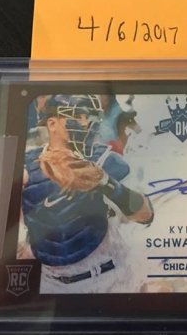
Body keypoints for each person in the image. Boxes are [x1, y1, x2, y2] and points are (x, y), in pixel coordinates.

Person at [22, 94, 153, 290]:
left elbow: (145, 215)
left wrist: (106, 183)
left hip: (109, 275)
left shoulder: (108, 160)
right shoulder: (27, 165)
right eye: (78, 116)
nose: (85, 123)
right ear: (52, 124)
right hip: (50, 282)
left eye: (89, 117)